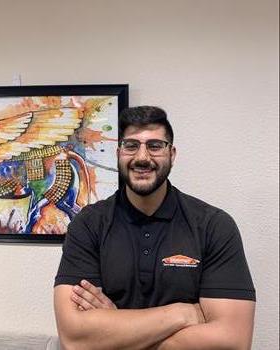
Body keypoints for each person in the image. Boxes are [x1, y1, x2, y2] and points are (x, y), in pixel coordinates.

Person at [54, 106, 256, 349]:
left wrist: (116, 329)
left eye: (155, 146)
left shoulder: (213, 226)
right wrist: (182, 314)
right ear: (118, 153)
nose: (142, 157)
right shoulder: (88, 225)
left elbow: (233, 341)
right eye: (131, 145)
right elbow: (75, 339)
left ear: (172, 153)